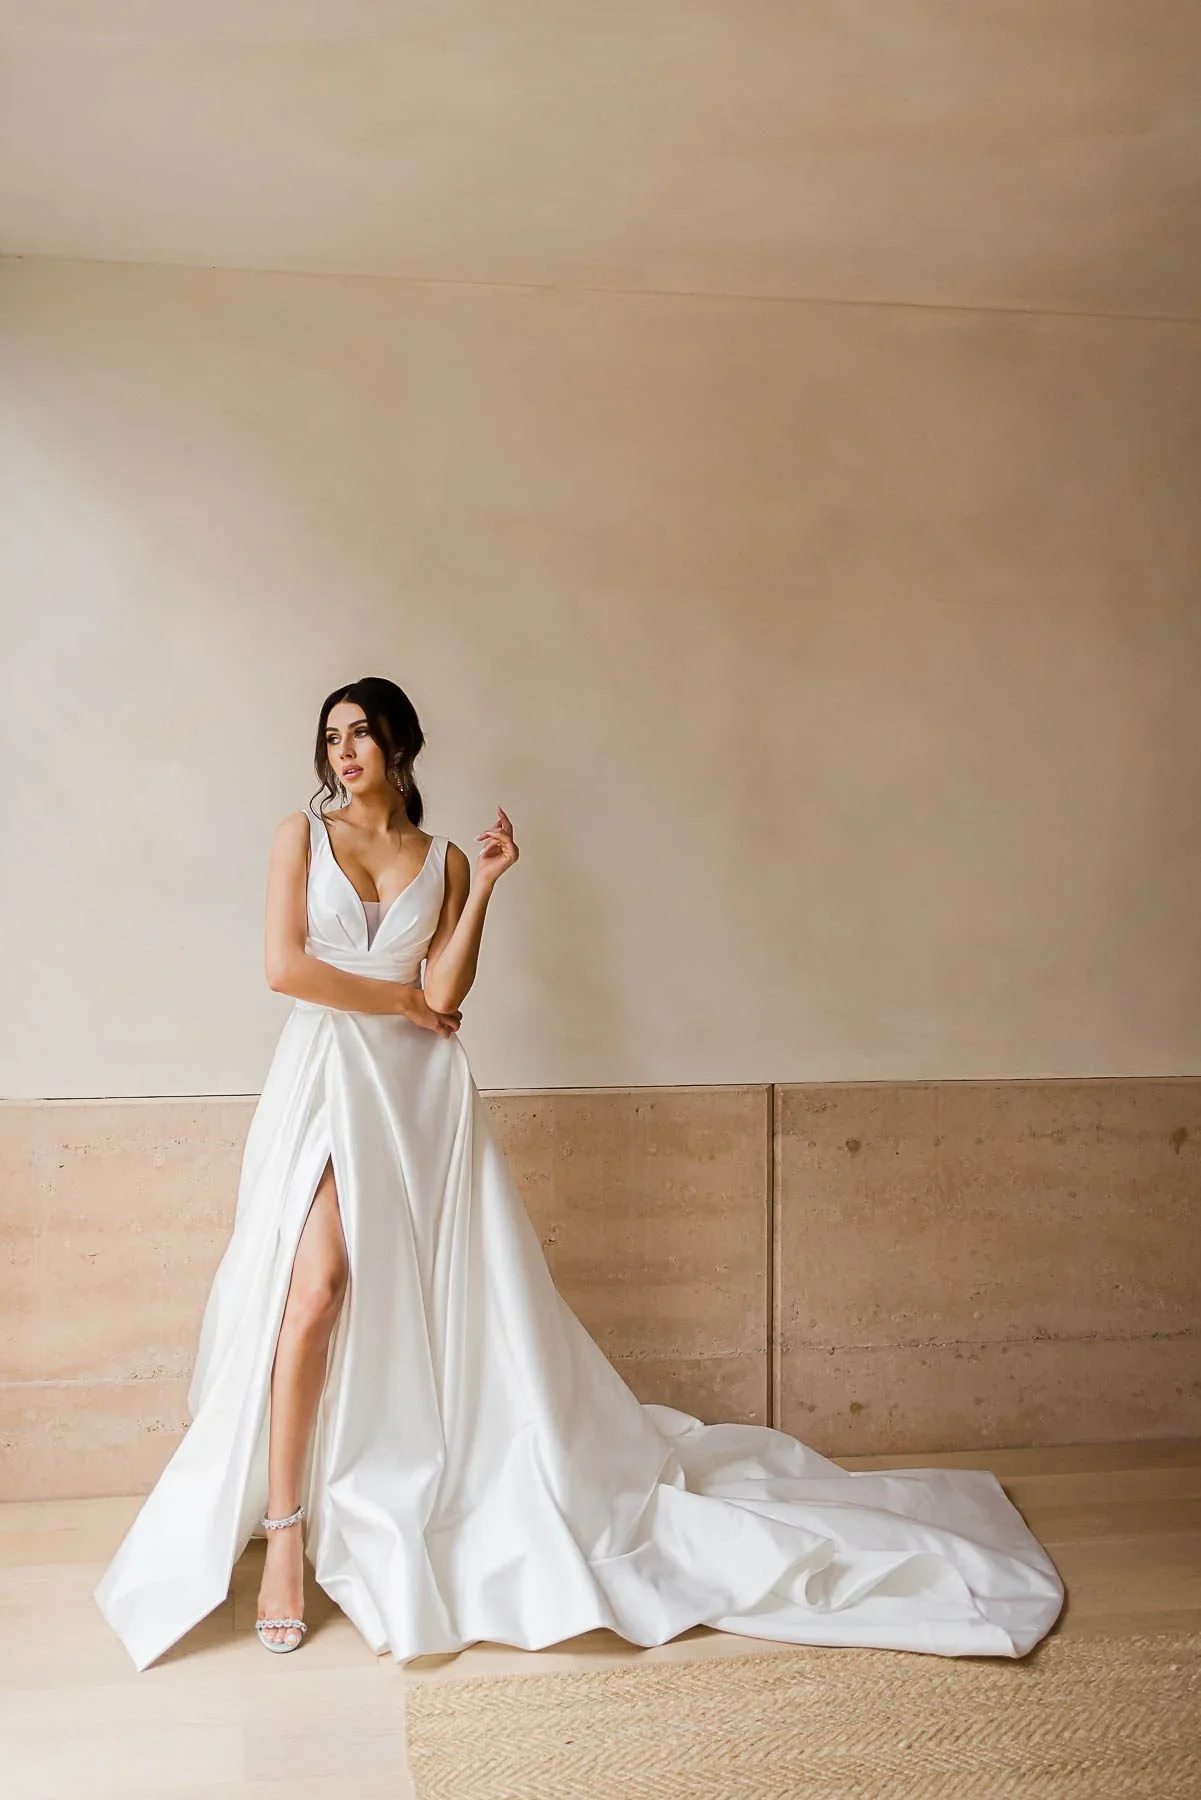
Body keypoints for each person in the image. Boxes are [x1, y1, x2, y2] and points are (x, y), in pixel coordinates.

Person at [95, 675, 1064, 1670]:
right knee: (314, 1294)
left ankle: (392, 1476)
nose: (344, 753)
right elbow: (285, 969)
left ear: (401, 747)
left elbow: (442, 989)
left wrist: (492, 887)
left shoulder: (447, 860)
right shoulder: (299, 840)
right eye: (332, 736)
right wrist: (398, 1009)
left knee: (413, 1306)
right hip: (327, 1077)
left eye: (364, 735)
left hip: (419, 1099)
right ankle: (289, 1533)